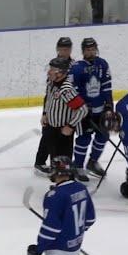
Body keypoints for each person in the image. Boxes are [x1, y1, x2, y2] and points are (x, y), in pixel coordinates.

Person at [26, 156, 96, 255]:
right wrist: (74, 233)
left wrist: (38, 249)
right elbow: (90, 218)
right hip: (73, 247)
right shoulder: (80, 188)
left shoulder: (55, 195)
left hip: (60, 250)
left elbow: (51, 228)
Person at [69, 38, 113, 182]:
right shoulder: (76, 67)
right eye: (88, 50)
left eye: (93, 49)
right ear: (83, 51)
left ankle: (93, 162)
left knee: (103, 136)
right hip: (83, 112)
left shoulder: (103, 64)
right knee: (84, 139)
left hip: (100, 111)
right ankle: (78, 166)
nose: (91, 52)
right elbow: (72, 90)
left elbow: (107, 86)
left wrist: (109, 106)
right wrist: (82, 107)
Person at [34, 37, 76, 175]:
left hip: (68, 104)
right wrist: (45, 113)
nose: (64, 51)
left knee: (62, 142)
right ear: (57, 49)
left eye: (67, 48)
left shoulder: (75, 65)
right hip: (55, 107)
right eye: (62, 49)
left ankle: (62, 168)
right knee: (48, 135)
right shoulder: (54, 66)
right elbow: (49, 92)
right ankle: (41, 162)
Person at [41, 56, 88, 163]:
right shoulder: (51, 82)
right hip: (52, 129)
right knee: (54, 160)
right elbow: (48, 98)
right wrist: (45, 113)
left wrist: (70, 126)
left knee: (63, 164)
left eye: (52, 69)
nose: (49, 72)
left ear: (60, 73)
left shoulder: (66, 89)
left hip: (62, 133)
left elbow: (82, 110)